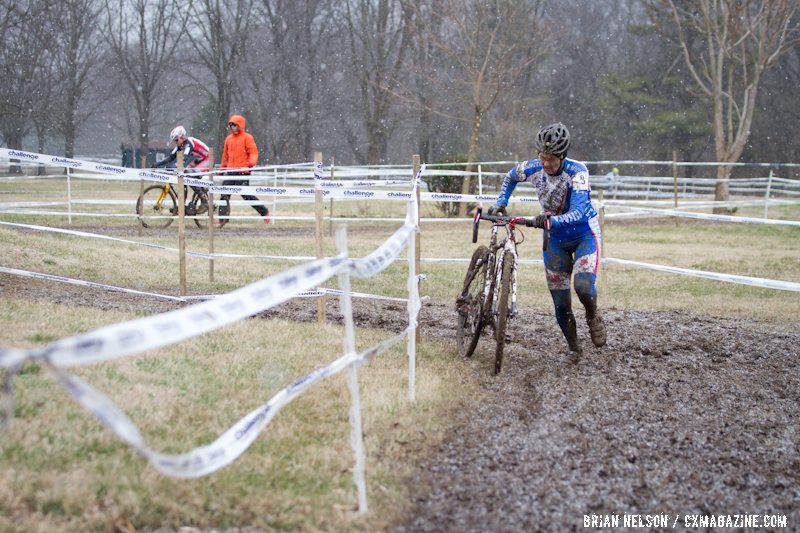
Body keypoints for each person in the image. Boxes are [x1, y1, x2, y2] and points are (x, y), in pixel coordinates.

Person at [489, 122, 606, 364]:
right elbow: (510, 177)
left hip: (584, 234)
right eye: (542, 157)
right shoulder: (533, 169)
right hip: (555, 240)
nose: (546, 163)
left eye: (552, 159)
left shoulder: (578, 172)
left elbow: (580, 212)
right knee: (561, 303)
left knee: (583, 287)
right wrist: (501, 202)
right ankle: (575, 349)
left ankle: (593, 315)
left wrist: (550, 221)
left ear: (562, 156)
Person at [219, 114, 269, 224]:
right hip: (231, 171)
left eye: (234, 125)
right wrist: (222, 170)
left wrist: (251, 163)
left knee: (246, 195)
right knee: (224, 194)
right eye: (231, 125)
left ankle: (264, 212)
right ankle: (222, 219)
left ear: (240, 125)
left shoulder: (247, 137)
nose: (232, 127)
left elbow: (253, 152)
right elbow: (225, 156)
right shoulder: (228, 139)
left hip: (243, 172)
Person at [155, 125, 211, 199]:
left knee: (189, 175)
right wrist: (158, 164)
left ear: (182, 137)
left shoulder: (189, 143)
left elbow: (184, 158)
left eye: (176, 140)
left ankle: (204, 200)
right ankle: (184, 203)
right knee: (186, 173)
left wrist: (175, 166)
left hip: (209, 159)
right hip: (200, 159)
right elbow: (171, 157)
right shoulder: (181, 144)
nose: (175, 142)